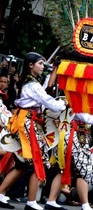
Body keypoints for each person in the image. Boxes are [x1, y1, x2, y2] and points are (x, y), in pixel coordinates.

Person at [0, 52, 67, 210]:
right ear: (31, 65)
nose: (43, 66)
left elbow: (45, 94)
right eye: (40, 64)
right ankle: (31, 202)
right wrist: (65, 104)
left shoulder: (31, 82)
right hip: (28, 123)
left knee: (22, 164)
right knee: (39, 159)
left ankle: (3, 193)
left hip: (27, 121)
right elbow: (49, 102)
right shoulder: (33, 85)